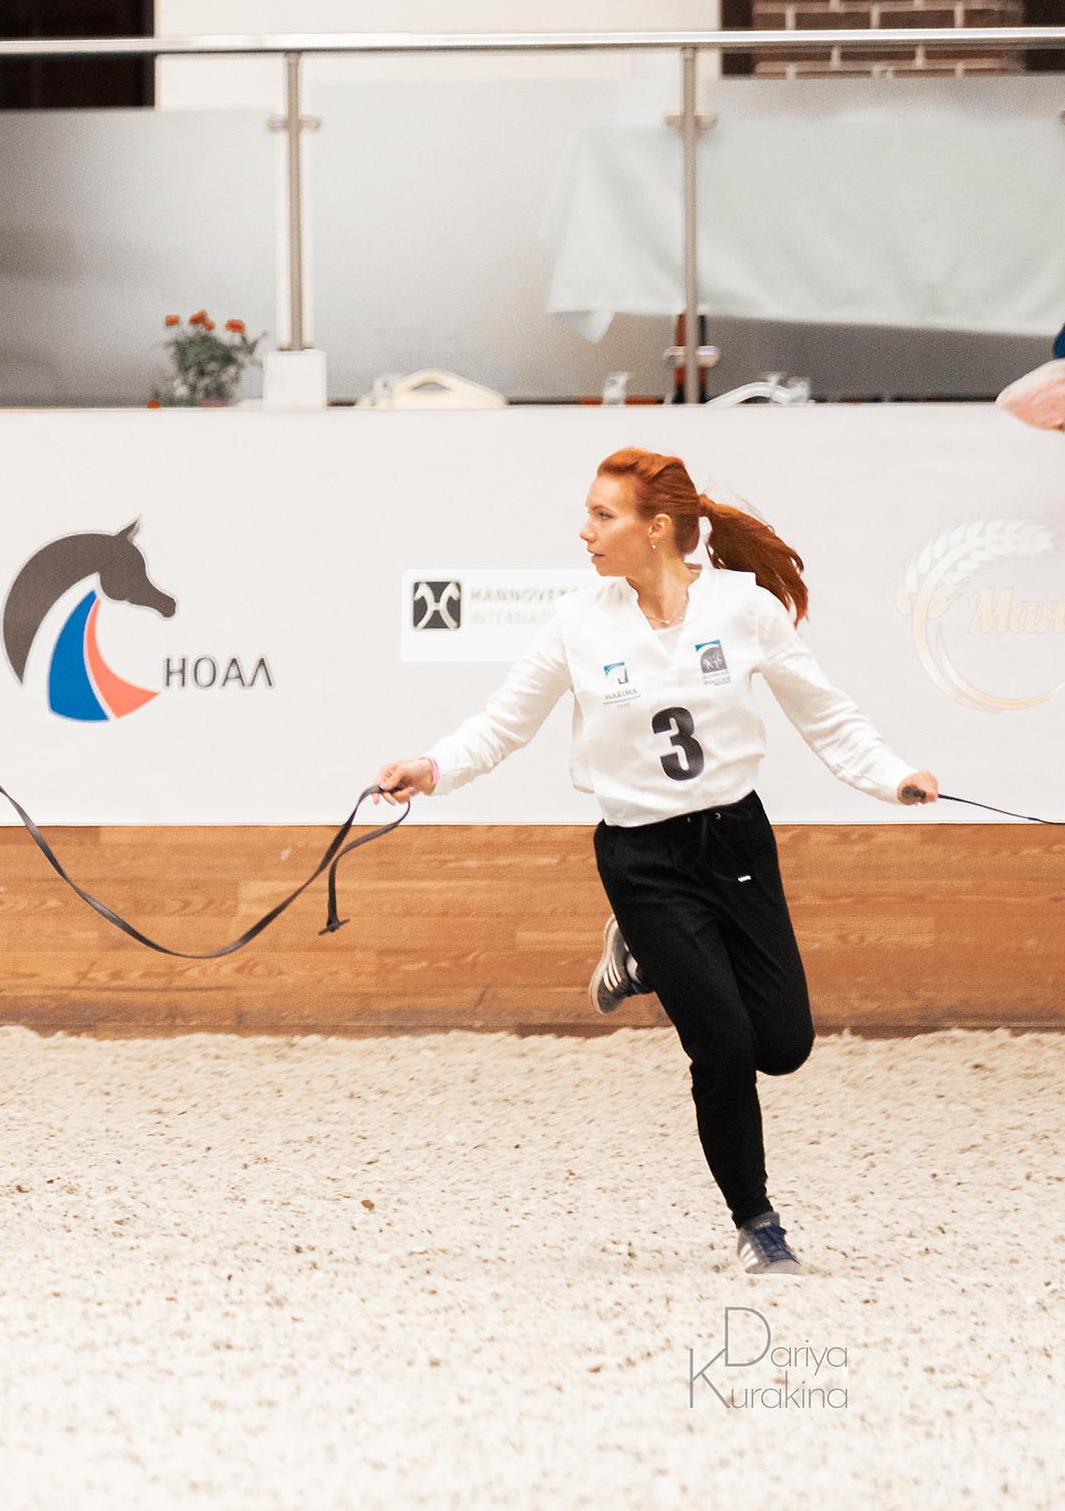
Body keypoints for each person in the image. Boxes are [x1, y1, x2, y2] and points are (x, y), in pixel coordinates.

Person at [374, 448, 937, 1277]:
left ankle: (635, 951)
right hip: (642, 856)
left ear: (658, 527)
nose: (586, 530)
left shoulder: (742, 609)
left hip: (736, 839)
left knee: (780, 1044)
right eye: (590, 514)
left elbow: (827, 712)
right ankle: (758, 1221)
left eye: (605, 516)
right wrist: (431, 768)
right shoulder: (578, 623)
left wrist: (895, 776)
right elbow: (501, 724)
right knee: (720, 1040)